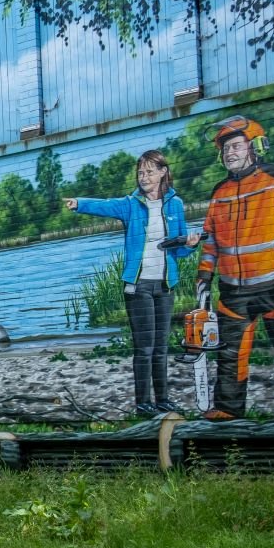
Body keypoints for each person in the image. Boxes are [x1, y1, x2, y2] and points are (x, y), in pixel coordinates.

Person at [195, 115, 274, 420]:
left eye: (236, 146)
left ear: (255, 147)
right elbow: (212, 240)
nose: (230, 153)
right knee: (230, 354)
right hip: (233, 290)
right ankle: (228, 411)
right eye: (226, 149)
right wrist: (204, 275)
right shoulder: (219, 192)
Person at [65, 150, 198, 416]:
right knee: (145, 347)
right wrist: (79, 203)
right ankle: (142, 403)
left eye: (150, 171)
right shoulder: (130, 204)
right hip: (138, 286)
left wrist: (190, 245)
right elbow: (104, 205)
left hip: (165, 285)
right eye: (141, 172)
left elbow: (180, 250)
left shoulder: (175, 205)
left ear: (162, 172)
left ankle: (162, 399)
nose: (144, 177)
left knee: (161, 348)